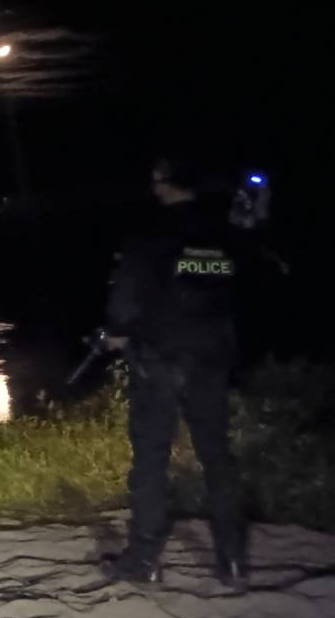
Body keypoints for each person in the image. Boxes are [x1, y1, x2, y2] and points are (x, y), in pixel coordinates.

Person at [102, 155, 248, 589]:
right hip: (212, 357)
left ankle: (144, 559)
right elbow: (241, 290)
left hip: (160, 358)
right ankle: (232, 560)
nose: (153, 184)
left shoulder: (151, 233)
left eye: (156, 178)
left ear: (164, 183)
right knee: (217, 456)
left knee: (151, 457)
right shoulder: (225, 233)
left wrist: (115, 333)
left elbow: (125, 298)